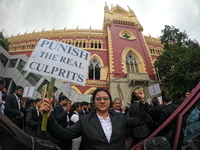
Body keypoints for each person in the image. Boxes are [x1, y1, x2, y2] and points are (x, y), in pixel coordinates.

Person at [39, 87, 151, 150]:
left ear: (110, 102)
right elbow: (63, 134)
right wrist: (49, 117)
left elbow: (141, 120)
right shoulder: (85, 121)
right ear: (94, 102)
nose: (102, 101)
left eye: (105, 98)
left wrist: (142, 101)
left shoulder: (120, 118)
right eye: (98, 99)